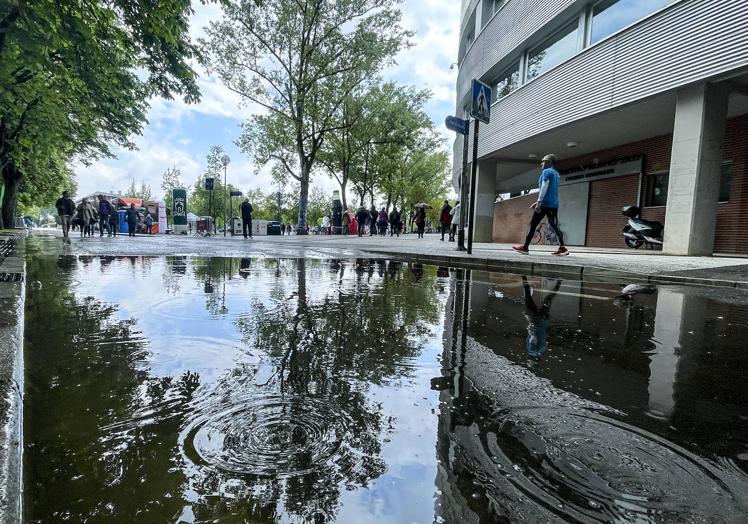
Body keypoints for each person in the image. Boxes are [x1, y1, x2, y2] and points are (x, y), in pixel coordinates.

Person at [513, 154, 569, 256]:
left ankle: (525, 247)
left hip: (544, 204)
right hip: (553, 204)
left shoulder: (546, 172)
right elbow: (551, 190)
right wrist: (538, 201)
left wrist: (539, 202)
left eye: (543, 161)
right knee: (554, 226)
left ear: (549, 162)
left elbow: (545, 186)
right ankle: (563, 248)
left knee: (533, 224)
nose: (541, 163)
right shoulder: (556, 174)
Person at [522, 276, 562, 360]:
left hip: (543, 320)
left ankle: (559, 282)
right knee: (528, 297)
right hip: (535, 320)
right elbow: (533, 337)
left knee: (548, 298)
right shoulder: (532, 350)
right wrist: (531, 326)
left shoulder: (541, 350)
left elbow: (543, 337)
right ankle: (524, 278)